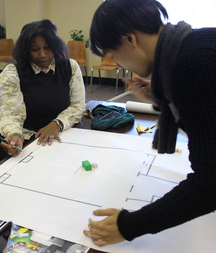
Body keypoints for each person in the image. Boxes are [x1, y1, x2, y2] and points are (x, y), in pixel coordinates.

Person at [83, 0, 216, 246]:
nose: (119, 65)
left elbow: (210, 182)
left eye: (114, 55)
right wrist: (160, 97)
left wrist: (129, 225)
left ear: (131, 40)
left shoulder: (191, 64)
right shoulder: (193, 43)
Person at [0, 19, 86, 161]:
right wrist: (15, 135)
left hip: (56, 133)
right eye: (35, 50)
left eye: (48, 48)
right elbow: (11, 113)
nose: (42, 54)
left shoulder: (70, 67)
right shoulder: (12, 72)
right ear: (26, 50)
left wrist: (56, 124)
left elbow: (77, 105)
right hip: (23, 137)